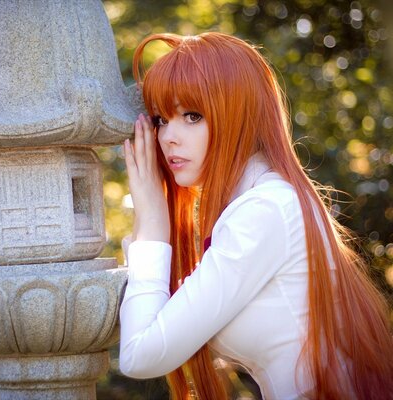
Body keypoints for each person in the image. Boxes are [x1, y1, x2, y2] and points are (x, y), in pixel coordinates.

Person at [119, 32, 393, 400]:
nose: (168, 137)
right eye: (160, 120)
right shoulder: (269, 201)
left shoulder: (264, 212)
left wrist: (152, 220)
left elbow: (140, 355)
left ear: (240, 114)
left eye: (192, 116)